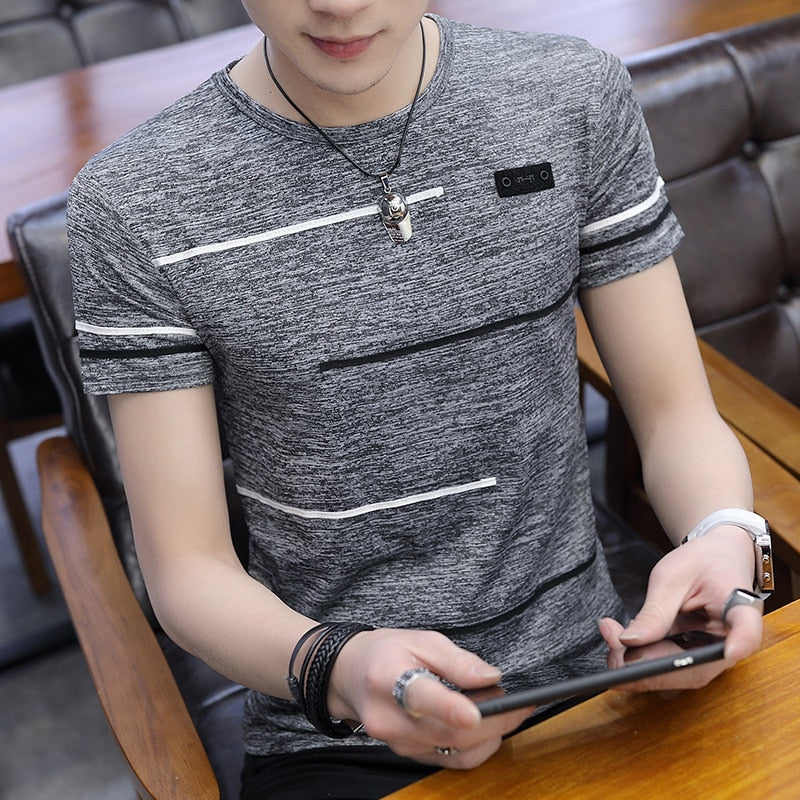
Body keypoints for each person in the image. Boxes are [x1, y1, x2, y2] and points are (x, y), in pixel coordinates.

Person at [66, 2, 767, 798]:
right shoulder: (134, 203)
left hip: (598, 673)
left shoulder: (571, 96)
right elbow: (187, 570)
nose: (339, 5)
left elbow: (677, 416)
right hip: (339, 731)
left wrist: (724, 534)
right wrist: (343, 668)